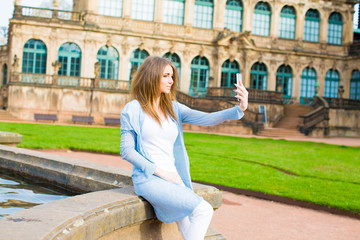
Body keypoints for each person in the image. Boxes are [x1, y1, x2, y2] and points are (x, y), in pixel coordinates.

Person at [120, 56, 248, 240]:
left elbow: (208, 118)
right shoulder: (132, 109)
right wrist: (161, 173)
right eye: (165, 75)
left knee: (189, 232)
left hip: (175, 178)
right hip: (150, 179)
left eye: (171, 76)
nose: (171, 80)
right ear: (151, 76)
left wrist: (239, 109)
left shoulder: (174, 108)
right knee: (203, 210)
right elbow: (127, 151)